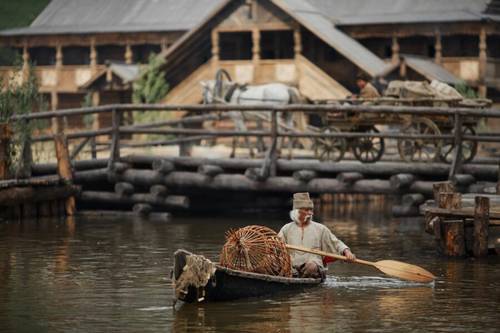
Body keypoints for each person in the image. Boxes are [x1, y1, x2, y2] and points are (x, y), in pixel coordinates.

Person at [278, 192, 356, 280]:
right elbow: (276, 246)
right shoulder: (286, 228)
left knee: (311, 266)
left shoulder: (320, 229)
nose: (311, 213)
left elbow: (336, 243)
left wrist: (347, 252)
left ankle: (300, 281)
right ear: (297, 211)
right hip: (291, 269)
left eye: (311, 210)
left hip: (314, 267)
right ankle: (293, 277)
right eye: (307, 210)